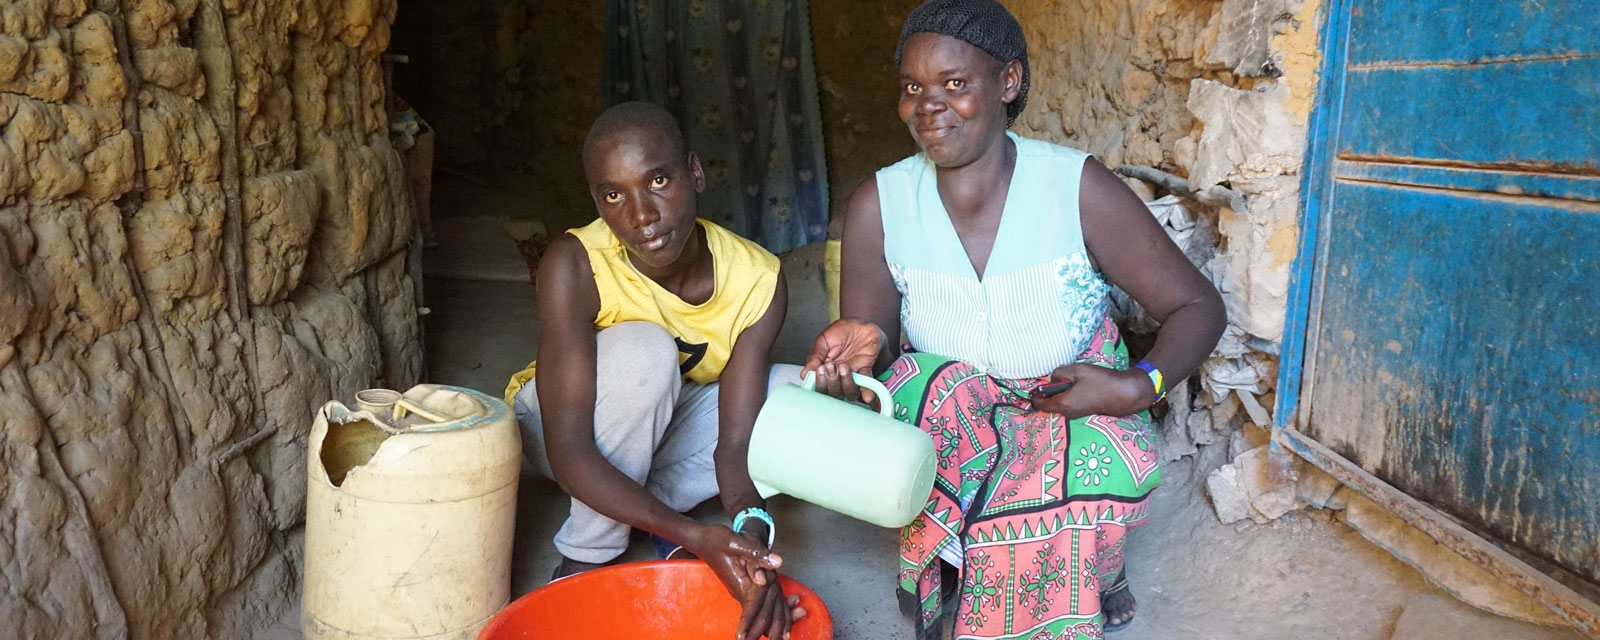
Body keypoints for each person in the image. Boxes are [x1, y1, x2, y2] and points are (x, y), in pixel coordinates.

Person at [803, 1, 1227, 638]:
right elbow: (881, 357)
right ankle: (1012, 572)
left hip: (1069, 406)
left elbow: (1199, 307)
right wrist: (857, 358)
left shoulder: (1073, 186)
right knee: (918, 400)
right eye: (913, 88)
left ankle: (1068, 571)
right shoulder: (880, 204)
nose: (928, 106)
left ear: (1007, 82)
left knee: (1086, 464)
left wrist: (1138, 387)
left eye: (954, 84)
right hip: (961, 419)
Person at [506, 101, 806, 639]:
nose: (640, 215)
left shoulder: (758, 280)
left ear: (695, 172)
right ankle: (590, 551)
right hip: (556, 430)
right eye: (614, 195)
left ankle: (633, 504)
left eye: (659, 180)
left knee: (793, 395)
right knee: (647, 350)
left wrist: (749, 546)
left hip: (657, 431)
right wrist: (693, 535)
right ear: (597, 202)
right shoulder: (574, 264)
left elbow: (734, 448)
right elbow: (569, 446)